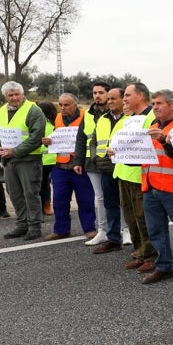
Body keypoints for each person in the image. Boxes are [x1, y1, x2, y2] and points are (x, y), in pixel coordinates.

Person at [139, 89, 173, 285]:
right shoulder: (153, 126)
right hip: (151, 186)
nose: (155, 107)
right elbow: (145, 157)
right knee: (156, 230)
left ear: (172, 105)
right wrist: (121, 154)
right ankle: (163, 266)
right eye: (153, 104)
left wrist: (163, 139)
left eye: (159, 103)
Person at [0, 81, 46, 240]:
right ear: (5, 96)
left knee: (31, 193)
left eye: (17, 94)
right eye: (10, 95)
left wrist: (14, 152)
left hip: (29, 160)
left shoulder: (34, 111)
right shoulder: (0, 111)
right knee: (14, 194)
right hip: (9, 161)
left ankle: (34, 227)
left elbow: (36, 138)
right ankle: (22, 225)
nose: (14, 97)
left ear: (22, 94)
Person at [111, 83, 158, 270]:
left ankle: (151, 256)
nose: (124, 99)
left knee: (142, 217)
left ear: (140, 96)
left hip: (140, 176)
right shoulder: (130, 118)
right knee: (130, 217)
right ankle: (140, 251)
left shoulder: (151, 117)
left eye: (128, 95)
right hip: (124, 172)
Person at [42, 93, 96, 240]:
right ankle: (61, 230)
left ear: (75, 105)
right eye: (60, 105)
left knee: (85, 200)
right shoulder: (58, 118)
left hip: (80, 166)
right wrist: (49, 141)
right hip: (60, 165)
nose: (63, 108)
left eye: (66, 105)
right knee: (59, 200)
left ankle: (90, 229)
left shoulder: (86, 116)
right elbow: (56, 135)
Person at [91, 87, 128, 254]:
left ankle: (131, 236)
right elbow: (94, 141)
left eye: (114, 98)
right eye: (110, 99)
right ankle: (113, 239)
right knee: (110, 204)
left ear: (123, 100)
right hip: (106, 168)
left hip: (125, 168)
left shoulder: (130, 119)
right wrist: (95, 158)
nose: (110, 101)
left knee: (128, 205)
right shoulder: (103, 119)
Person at [74, 81, 111, 246]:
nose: (97, 96)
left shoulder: (116, 112)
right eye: (95, 93)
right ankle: (102, 230)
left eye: (101, 92)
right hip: (91, 162)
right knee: (101, 197)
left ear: (108, 94)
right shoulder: (88, 114)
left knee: (118, 197)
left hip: (112, 161)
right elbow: (81, 139)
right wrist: (78, 160)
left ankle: (125, 230)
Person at [37, 101, 57, 216]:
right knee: (54, 186)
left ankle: (42, 208)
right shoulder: (56, 123)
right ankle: (48, 207)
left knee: (42, 186)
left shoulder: (39, 124)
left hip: (43, 160)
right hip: (55, 159)